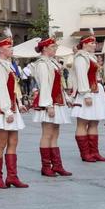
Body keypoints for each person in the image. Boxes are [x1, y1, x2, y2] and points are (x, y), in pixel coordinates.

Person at [0, 33, 28, 189]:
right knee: (1, 143)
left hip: (12, 108)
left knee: (14, 142)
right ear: (1, 49)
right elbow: (0, 90)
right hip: (3, 109)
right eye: (9, 46)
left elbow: (13, 88)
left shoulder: (8, 65)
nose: (12, 49)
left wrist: (19, 103)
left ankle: (12, 176)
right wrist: (7, 110)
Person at [31, 37, 72, 178]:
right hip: (48, 102)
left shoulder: (52, 62)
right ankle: (46, 166)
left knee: (55, 133)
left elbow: (58, 84)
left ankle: (57, 165)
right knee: (47, 134)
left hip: (57, 101)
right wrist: (48, 105)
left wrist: (66, 98)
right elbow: (44, 85)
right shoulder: (42, 63)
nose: (55, 48)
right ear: (45, 48)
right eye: (53, 46)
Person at [71, 33, 105, 162]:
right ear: (84, 43)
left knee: (94, 122)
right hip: (86, 93)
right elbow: (82, 76)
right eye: (92, 43)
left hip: (96, 91)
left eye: (95, 43)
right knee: (83, 123)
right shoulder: (80, 57)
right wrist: (86, 94)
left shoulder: (90, 57)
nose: (95, 45)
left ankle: (94, 152)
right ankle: (85, 153)